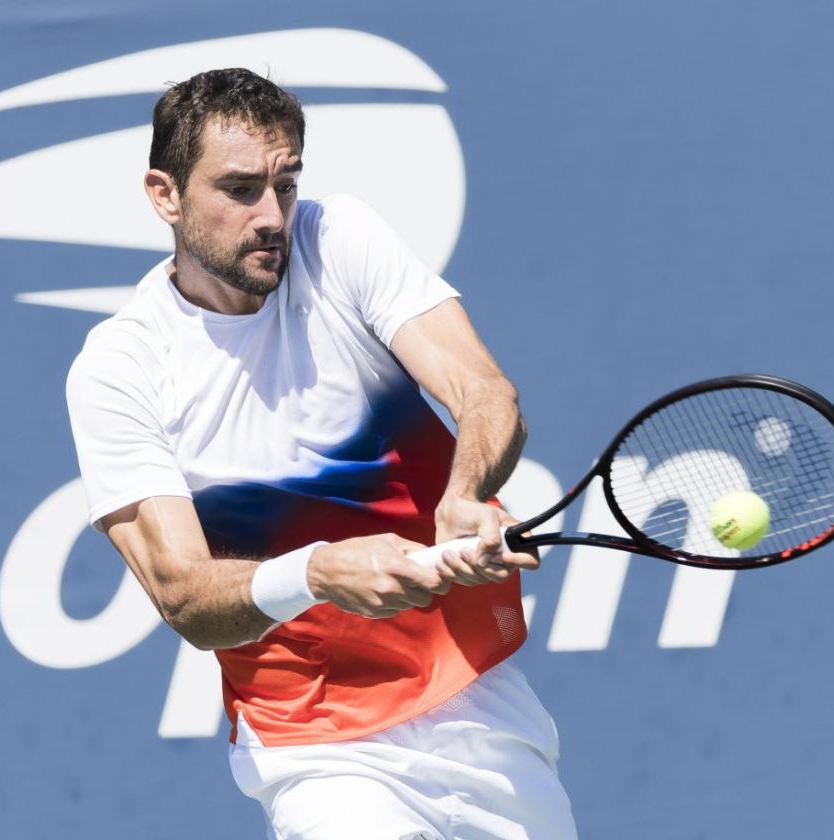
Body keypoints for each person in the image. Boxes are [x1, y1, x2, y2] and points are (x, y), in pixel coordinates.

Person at [66, 68, 576, 839]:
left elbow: (483, 392)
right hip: (317, 745)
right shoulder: (119, 366)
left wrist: (465, 493)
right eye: (238, 190)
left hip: (477, 702)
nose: (271, 215)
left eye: (286, 183)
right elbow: (185, 597)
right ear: (164, 195)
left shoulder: (339, 241)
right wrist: (318, 571)